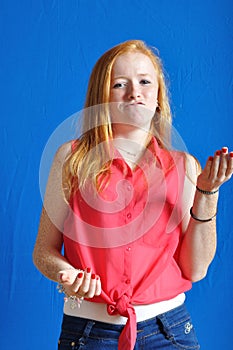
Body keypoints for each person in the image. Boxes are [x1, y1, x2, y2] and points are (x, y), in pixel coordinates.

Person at [33, 40, 233, 350]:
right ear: (102, 97)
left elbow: (196, 269)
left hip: (170, 332)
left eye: (144, 81)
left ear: (157, 97)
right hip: (87, 333)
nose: (134, 92)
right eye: (119, 84)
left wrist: (207, 192)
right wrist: (68, 275)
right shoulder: (70, 159)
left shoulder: (185, 166)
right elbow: (43, 252)